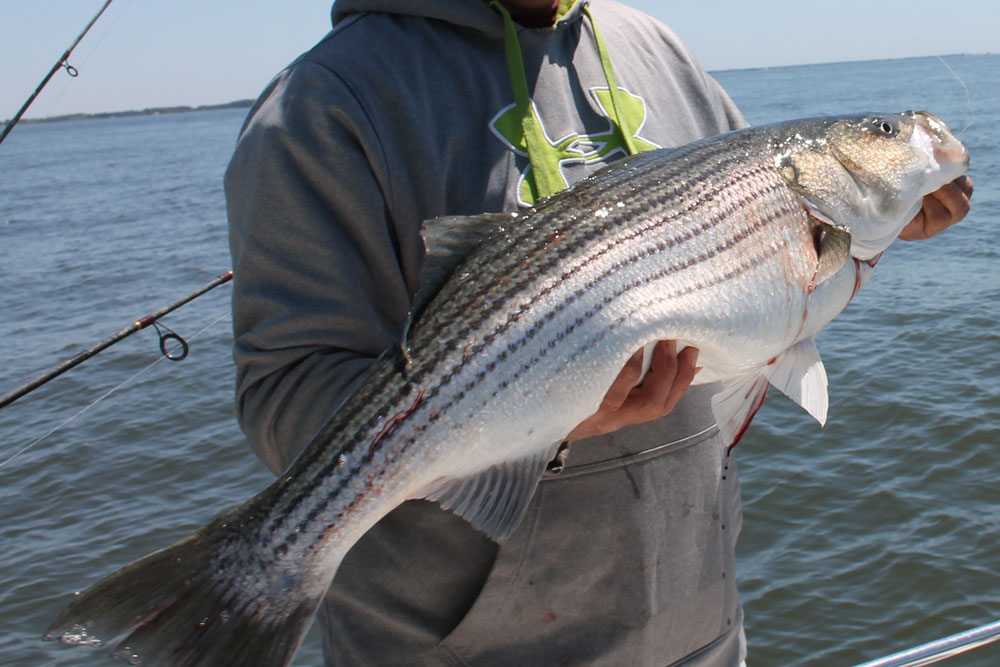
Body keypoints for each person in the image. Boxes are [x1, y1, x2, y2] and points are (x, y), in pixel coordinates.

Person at [225, 1, 972, 665]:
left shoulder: (658, 49)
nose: (892, 136)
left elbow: (765, 276)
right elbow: (282, 393)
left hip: (700, 631)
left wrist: (879, 225)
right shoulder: (325, 101)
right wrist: (532, 410)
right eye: (880, 133)